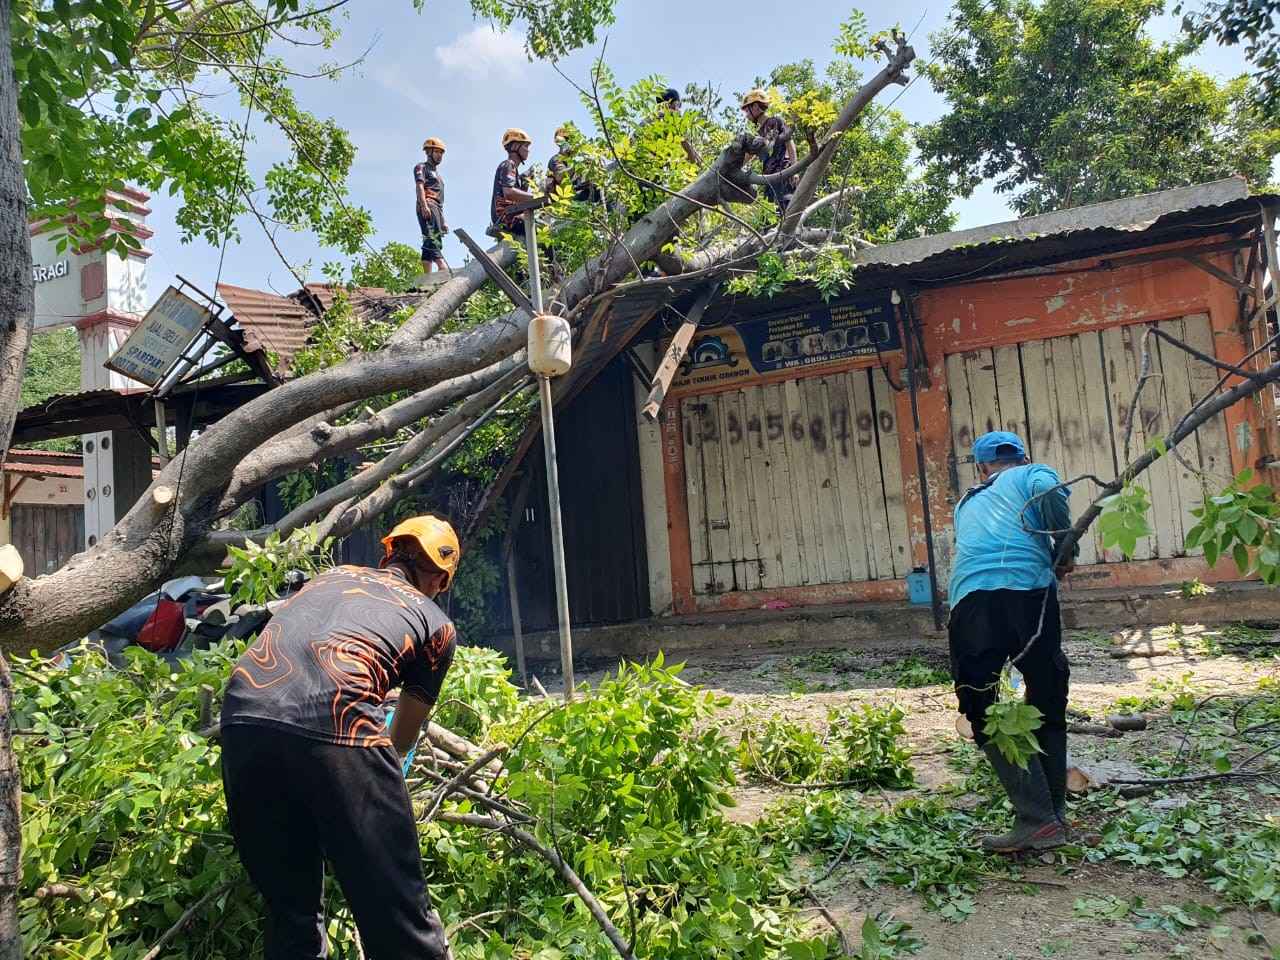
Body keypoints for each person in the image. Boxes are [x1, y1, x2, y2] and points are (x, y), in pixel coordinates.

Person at [220, 515, 462, 959]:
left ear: (388, 554)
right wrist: (376, 788)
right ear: (440, 581)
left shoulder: (331, 576)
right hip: (340, 727)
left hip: (243, 716)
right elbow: (403, 736)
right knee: (399, 919)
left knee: (291, 916)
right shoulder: (437, 625)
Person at [947, 432, 1078, 853]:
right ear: (1024, 457)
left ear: (981, 468)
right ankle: (1051, 814)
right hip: (1030, 594)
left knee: (980, 701)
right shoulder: (1030, 474)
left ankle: (1039, 819)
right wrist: (1064, 548)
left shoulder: (966, 502)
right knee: (1047, 691)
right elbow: (1046, 487)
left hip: (972, 601)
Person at [740, 88, 796, 216]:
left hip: (783, 173)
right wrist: (731, 168)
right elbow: (748, 156)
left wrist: (794, 170)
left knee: (786, 212)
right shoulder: (759, 134)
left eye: (747, 110)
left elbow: (790, 143)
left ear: (755, 107)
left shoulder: (776, 122)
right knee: (771, 216)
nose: (746, 115)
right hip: (769, 180)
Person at [489, 127, 536, 238]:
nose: (528, 150)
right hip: (507, 218)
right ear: (515, 146)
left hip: (511, 215)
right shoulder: (508, 164)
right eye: (525, 146)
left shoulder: (514, 170)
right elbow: (509, 192)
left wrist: (525, 182)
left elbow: (517, 198)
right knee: (544, 229)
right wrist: (535, 197)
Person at [415, 137, 449, 274]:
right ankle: (443, 268)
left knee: (429, 239)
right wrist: (424, 206)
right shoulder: (421, 167)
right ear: (429, 152)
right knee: (433, 238)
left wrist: (443, 220)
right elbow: (419, 186)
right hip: (428, 204)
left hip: (437, 209)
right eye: (437, 152)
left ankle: (427, 276)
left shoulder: (439, 177)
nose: (439, 155)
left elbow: (440, 201)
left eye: (441, 153)